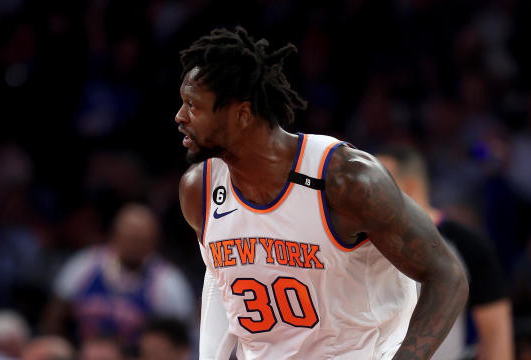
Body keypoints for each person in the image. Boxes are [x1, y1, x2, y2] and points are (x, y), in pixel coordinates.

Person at [177, 27, 468, 359]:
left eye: (193, 106)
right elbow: (220, 283)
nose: (180, 116)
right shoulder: (199, 189)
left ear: (242, 114)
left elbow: (447, 276)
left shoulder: (346, 180)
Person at [376, 145, 514, 360]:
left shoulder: (468, 245)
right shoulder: (363, 240)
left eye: (378, 185)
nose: (365, 193)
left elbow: (496, 335)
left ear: (410, 187)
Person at [43, 203, 194, 348]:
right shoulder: (86, 264)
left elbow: (180, 340)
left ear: (154, 241)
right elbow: (55, 314)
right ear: (114, 235)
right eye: (129, 237)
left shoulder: (168, 281)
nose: (133, 245)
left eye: (140, 239)